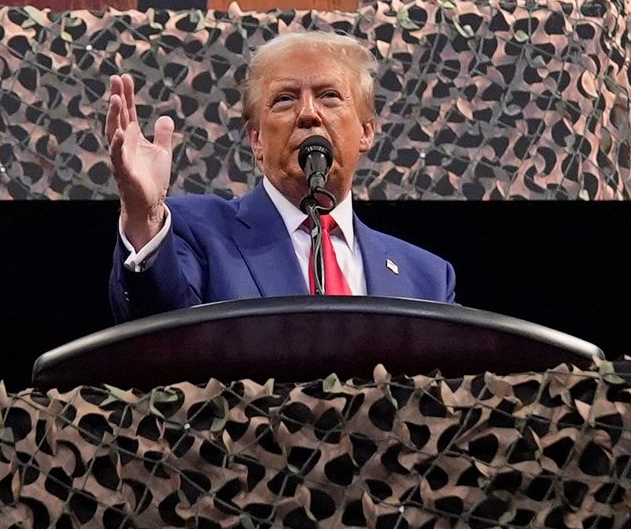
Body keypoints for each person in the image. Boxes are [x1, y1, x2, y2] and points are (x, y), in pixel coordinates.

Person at [102, 31, 456, 320]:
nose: (308, 114)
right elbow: (157, 331)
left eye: (329, 96)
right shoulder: (199, 232)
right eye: (285, 99)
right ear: (256, 139)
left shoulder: (426, 278)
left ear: (366, 132)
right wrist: (143, 215)